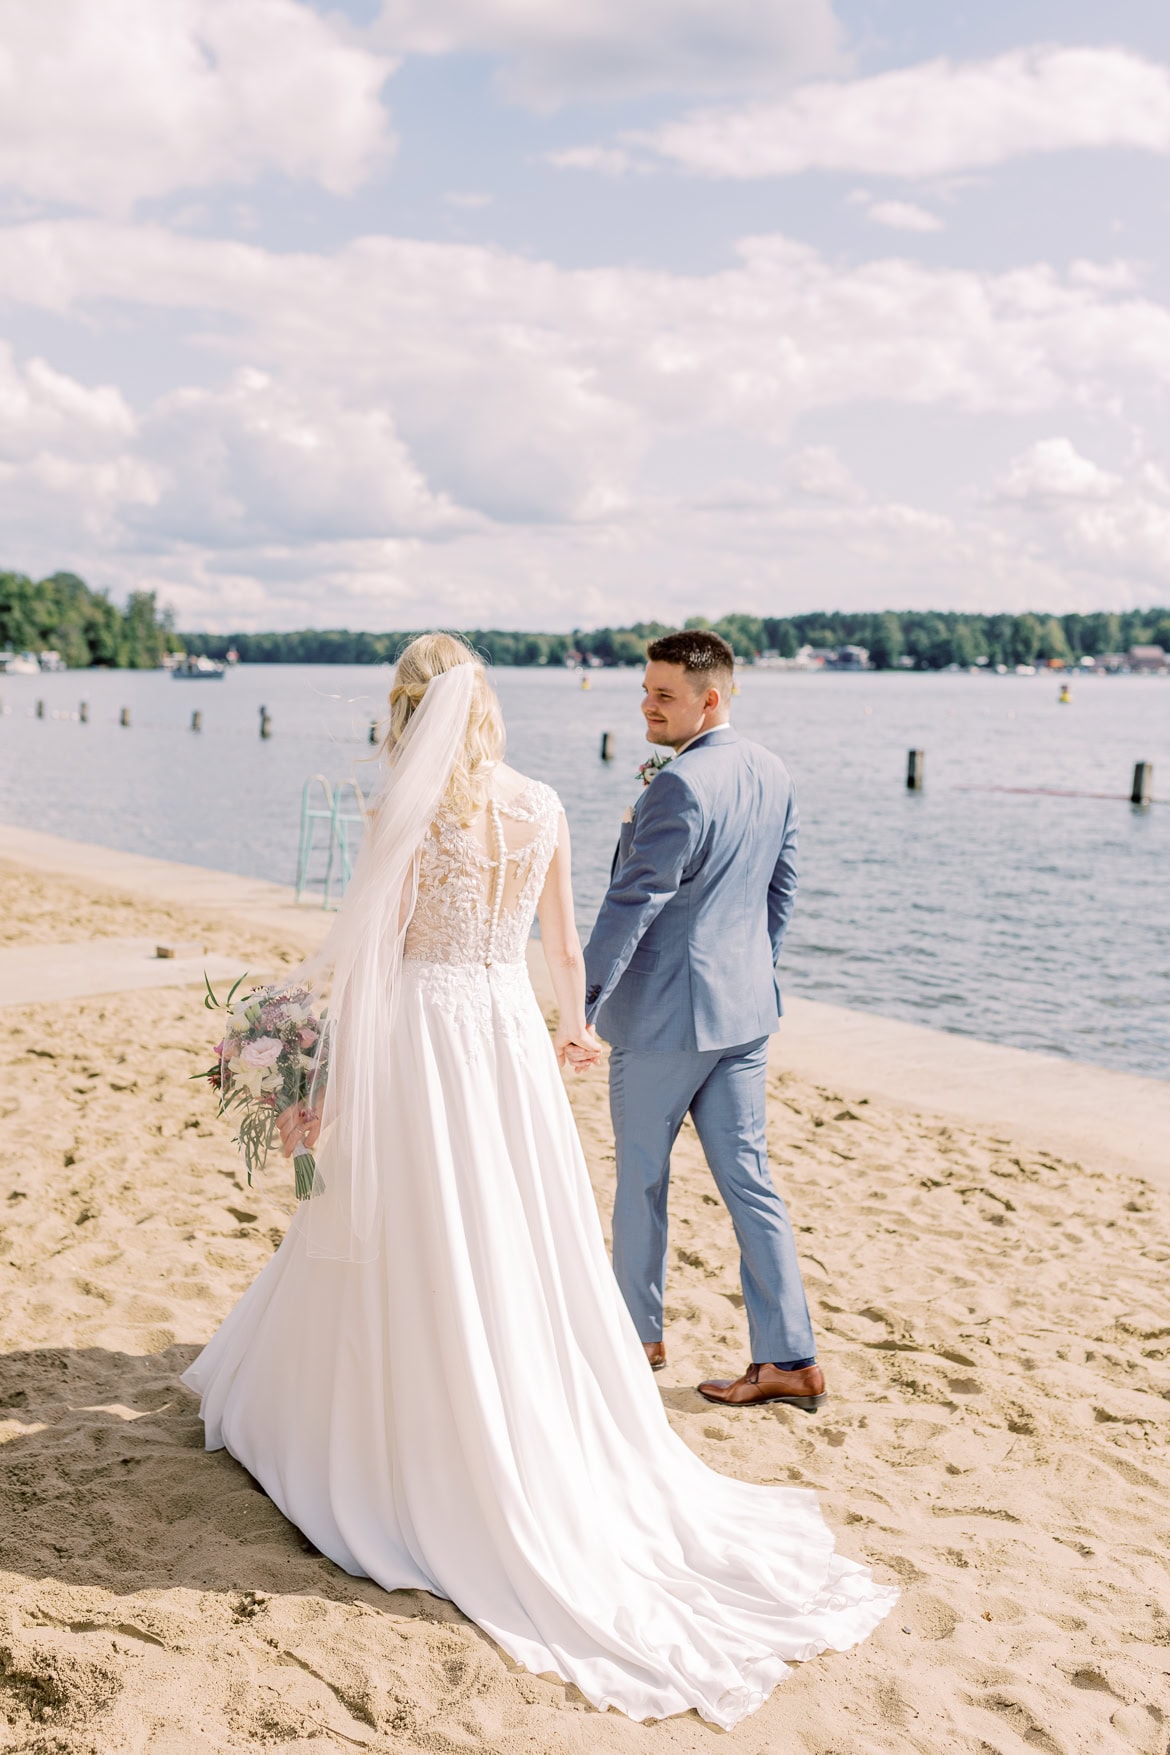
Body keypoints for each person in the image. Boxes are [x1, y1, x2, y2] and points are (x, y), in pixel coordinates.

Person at [182, 632, 895, 1730]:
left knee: (417, 1220)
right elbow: (564, 950)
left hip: (425, 1032)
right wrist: (573, 1030)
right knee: (515, 1222)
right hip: (505, 1034)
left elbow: (368, 950)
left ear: (407, 711)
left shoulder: (401, 812)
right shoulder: (547, 804)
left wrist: (305, 1039)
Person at [583, 629, 818, 1410]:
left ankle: (635, 1337)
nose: (646, 705)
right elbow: (780, 891)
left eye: (662, 695)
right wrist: (752, 971)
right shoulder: (772, 769)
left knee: (642, 1178)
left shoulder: (678, 786)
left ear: (709, 698)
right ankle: (789, 1355)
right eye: (646, 690)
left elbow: (632, 903)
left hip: (664, 1021)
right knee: (751, 1181)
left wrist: (580, 1002)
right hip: (744, 1014)